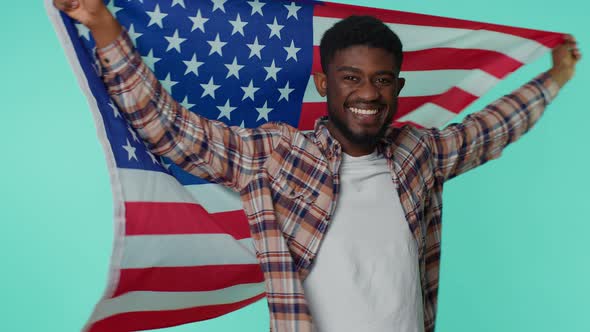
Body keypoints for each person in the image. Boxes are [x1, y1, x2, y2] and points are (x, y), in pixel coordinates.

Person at [53, 1, 581, 331]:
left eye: (380, 80)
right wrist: (103, 26)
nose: (367, 93)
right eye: (350, 78)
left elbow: (493, 128)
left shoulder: (420, 153)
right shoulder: (278, 155)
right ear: (325, 84)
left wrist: (554, 79)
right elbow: (167, 127)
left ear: (397, 87)